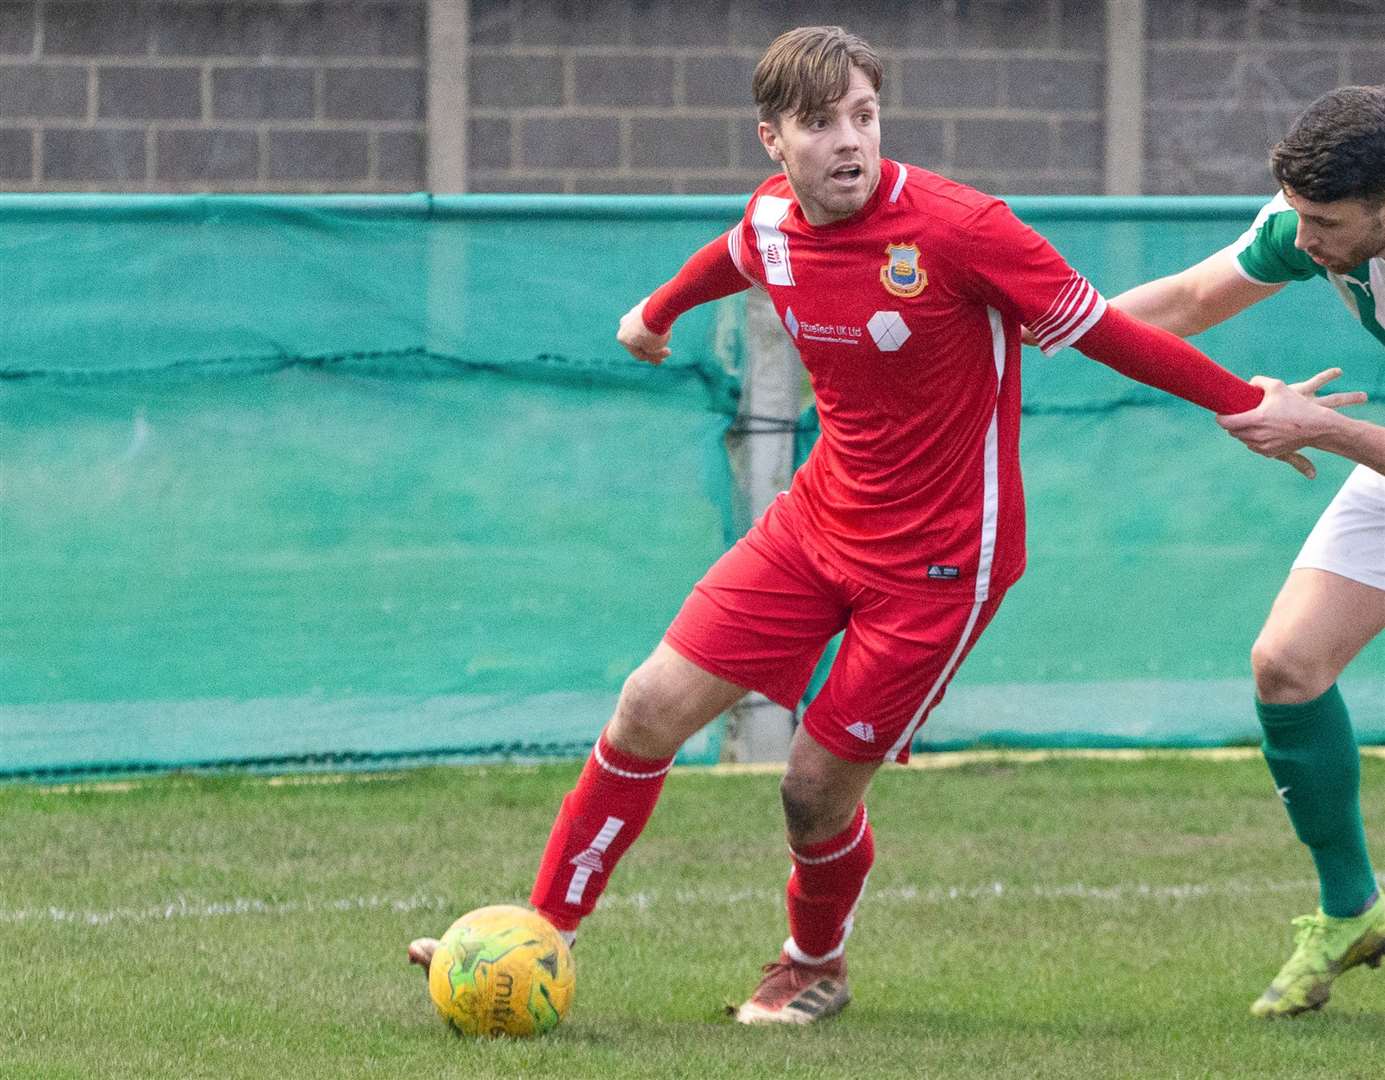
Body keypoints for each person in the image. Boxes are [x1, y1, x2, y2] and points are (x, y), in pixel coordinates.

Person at [409, 26, 1358, 1024]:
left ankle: (813, 964)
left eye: (862, 115)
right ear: (772, 139)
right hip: (813, 525)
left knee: (811, 789)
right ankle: (536, 934)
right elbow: (730, 256)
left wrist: (1238, 401)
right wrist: (654, 312)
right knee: (644, 709)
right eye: (820, 124)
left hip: (942, 562)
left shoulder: (961, 229)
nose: (848, 140)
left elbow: (1104, 332)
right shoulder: (773, 220)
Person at [1107, 84, 1385, 1018]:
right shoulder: (1305, 226)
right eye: (1297, 215)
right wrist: (1040, 334)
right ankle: (1350, 911)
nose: (1303, 241)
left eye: (1326, 223)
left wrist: (1316, 426)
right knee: (1287, 665)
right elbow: (1186, 299)